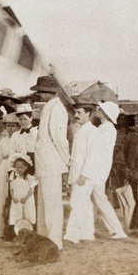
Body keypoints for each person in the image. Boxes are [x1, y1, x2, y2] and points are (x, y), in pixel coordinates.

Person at [75, 102, 128, 240]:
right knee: (97, 200)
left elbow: (95, 152)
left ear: (105, 113)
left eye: (100, 109)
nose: (97, 110)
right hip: (97, 169)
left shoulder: (106, 129)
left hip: (97, 170)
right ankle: (96, 230)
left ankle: (113, 230)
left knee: (98, 200)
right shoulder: (103, 128)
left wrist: (86, 172)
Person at [31, 76, 71, 250]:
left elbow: (59, 138)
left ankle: (55, 240)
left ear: (49, 92)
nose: (39, 94)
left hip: (52, 162)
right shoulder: (49, 107)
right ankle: (45, 237)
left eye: (41, 90)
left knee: (52, 203)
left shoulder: (57, 109)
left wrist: (66, 160)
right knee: (45, 203)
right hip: (44, 163)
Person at [63, 103, 98, 243]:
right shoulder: (81, 130)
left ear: (88, 114)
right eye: (75, 113)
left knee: (77, 202)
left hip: (84, 174)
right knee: (84, 203)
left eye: (79, 112)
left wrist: (85, 174)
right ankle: (87, 233)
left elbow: (93, 155)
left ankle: (72, 234)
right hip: (77, 172)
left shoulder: (92, 131)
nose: (76, 116)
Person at [0, 113, 20, 238]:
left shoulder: (19, 139)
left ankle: (15, 228)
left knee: (15, 197)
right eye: (8, 126)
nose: (10, 129)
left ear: (17, 127)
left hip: (16, 169)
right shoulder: (3, 140)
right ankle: (1, 227)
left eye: (13, 126)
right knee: (2, 197)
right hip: (4, 168)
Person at [8, 153, 38, 227]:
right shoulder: (13, 176)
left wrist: (25, 198)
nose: (19, 169)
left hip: (27, 199)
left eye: (21, 167)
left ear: (25, 167)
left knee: (28, 214)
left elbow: (31, 190)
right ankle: (16, 231)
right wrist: (13, 197)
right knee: (16, 214)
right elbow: (11, 188)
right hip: (17, 199)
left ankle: (29, 229)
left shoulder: (29, 178)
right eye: (17, 167)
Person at [10, 104, 38, 174]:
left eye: (25, 119)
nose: (23, 122)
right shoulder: (15, 135)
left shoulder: (37, 133)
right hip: (19, 168)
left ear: (30, 118)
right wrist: (11, 170)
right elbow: (12, 153)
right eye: (20, 119)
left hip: (35, 166)